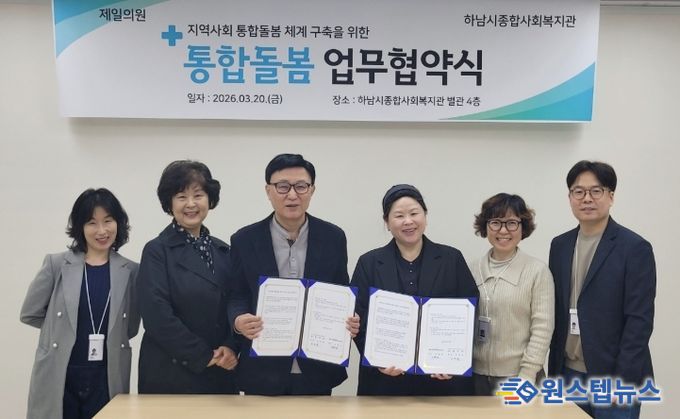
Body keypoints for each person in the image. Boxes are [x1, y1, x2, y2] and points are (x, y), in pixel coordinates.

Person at [228, 153, 359, 395]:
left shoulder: (333, 237)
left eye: (301, 186)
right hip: (262, 368)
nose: (292, 195)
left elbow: (340, 290)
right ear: (268, 191)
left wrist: (349, 317)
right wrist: (238, 321)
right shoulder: (244, 240)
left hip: (317, 367)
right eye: (282, 186)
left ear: (312, 190)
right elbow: (236, 294)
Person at [548, 161, 656, 418]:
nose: (587, 198)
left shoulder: (634, 248)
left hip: (614, 376)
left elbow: (639, 321)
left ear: (611, 196)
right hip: (568, 374)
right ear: (570, 197)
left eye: (596, 191)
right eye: (579, 191)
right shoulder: (560, 245)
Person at [20, 188, 139, 419]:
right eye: (92, 223)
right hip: (61, 372)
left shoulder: (131, 271)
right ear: (80, 227)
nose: (102, 230)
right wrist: (62, 331)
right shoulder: (56, 264)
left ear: (118, 223)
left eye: (108, 221)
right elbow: (30, 313)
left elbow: (130, 327)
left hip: (106, 376)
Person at [351, 184, 479, 395]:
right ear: (387, 222)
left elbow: (470, 313)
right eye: (399, 216)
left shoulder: (451, 259)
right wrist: (377, 360)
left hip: (443, 382)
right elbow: (358, 317)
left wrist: (455, 361)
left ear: (425, 216)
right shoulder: (369, 263)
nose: (408, 221)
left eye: (414, 213)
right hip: (384, 382)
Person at [137, 160, 238, 394]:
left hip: (221, 370)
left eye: (198, 195)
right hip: (171, 374)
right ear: (169, 203)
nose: (191, 204)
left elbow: (237, 303)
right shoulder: (156, 251)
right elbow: (156, 315)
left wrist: (230, 347)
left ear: (210, 200)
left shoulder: (225, 251)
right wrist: (203, 355)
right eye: (181, 196)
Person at [470, 193, 554, 395]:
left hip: (520, 377)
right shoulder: (472, 270)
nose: (503, 230)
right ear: (486, 226)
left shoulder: (537, 271)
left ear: (523, 227)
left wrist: (527, 375)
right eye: (495, 222)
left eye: (511, 223)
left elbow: (542, 328)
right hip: (476, 378)